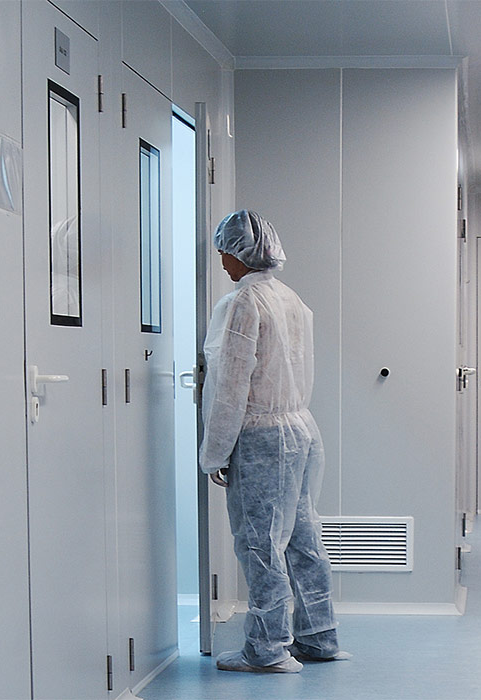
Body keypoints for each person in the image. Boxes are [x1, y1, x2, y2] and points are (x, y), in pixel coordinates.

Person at [199, 210, 349, 673]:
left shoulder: (244, 303)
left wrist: (214, 453)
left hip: (262, 438)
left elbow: (231, 385)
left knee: (260, 543)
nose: (221, 259)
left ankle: (267, 650)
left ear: (241, 252)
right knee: (302, 537)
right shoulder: (289, 298)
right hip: (301, 430)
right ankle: (318, 636)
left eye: (225, 249)